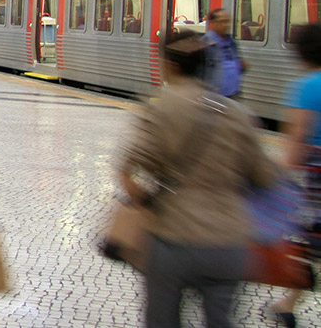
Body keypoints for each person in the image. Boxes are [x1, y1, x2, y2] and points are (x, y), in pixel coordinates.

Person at [118, 30, 276, 328]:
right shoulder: (238, 114)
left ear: (170, 66)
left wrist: (147, 205)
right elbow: (264, 176)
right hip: (229, 243)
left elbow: (127, 171)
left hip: (173, 240)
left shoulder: (160, 108)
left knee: (162, 320)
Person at [269, 23, 321, 328]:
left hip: (315, 173)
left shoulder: (304, 87)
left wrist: (278, 177)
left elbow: (297, 138)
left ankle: (287, 306)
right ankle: (286, 305)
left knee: (309, 244)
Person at [203, 8, 247, 99]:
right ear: (213, 23)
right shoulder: (206, 43)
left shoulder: (231, 42)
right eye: (222, 21)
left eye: (228, 21)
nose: (226, 25)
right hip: (214, 95)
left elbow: (238, 62)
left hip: (233, 94)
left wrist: (241, 66)